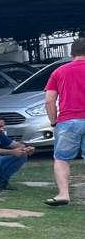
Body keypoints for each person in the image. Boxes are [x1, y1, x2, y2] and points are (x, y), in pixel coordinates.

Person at [44, 33, 85, 206]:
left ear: (71, 53)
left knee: (61, 158)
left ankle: (63, 194)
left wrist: (53, 121)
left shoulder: (59, 72)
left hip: (68, 120)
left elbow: (49, 100)